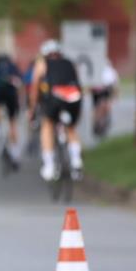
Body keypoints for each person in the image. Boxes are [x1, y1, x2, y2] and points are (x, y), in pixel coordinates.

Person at [29, 39, 83, 182]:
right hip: (73, 98)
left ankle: (49, 165)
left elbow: (34, 88)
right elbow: (78, 84)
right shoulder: (70, 63)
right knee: (71, 127)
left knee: (47, 124)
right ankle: (76, 161)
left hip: (54, 99)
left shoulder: (42, 64)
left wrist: (32, 108)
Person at [0, 52, 23, 165]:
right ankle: (16, 153)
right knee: (12, 122)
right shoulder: (14, 67)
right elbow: (19, 85)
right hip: (11, 94)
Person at [91, 59, 119, 136]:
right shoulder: (98, 68)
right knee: (97, 107)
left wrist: (115, 96)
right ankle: (96, 123)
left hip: (106, 89)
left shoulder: (111, 71)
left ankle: (102, 122)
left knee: (103, 106)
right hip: (98, 89)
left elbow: (115, 84)